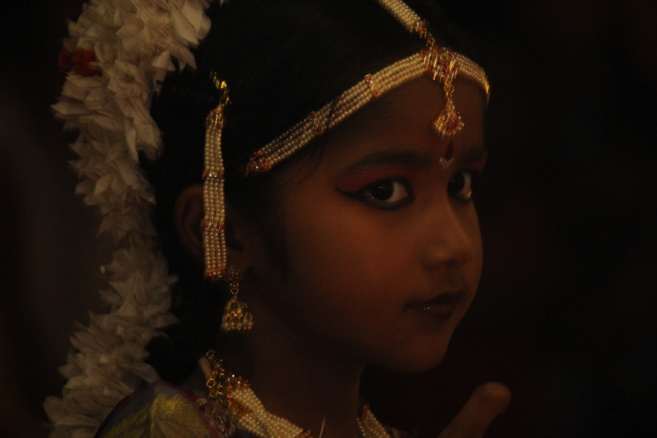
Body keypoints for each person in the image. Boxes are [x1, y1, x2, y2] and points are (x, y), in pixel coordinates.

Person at [45, 0, 511, 436]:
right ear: (225, 233)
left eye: (460, 186)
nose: (455, 245)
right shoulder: (166, 428)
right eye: (385, 192)